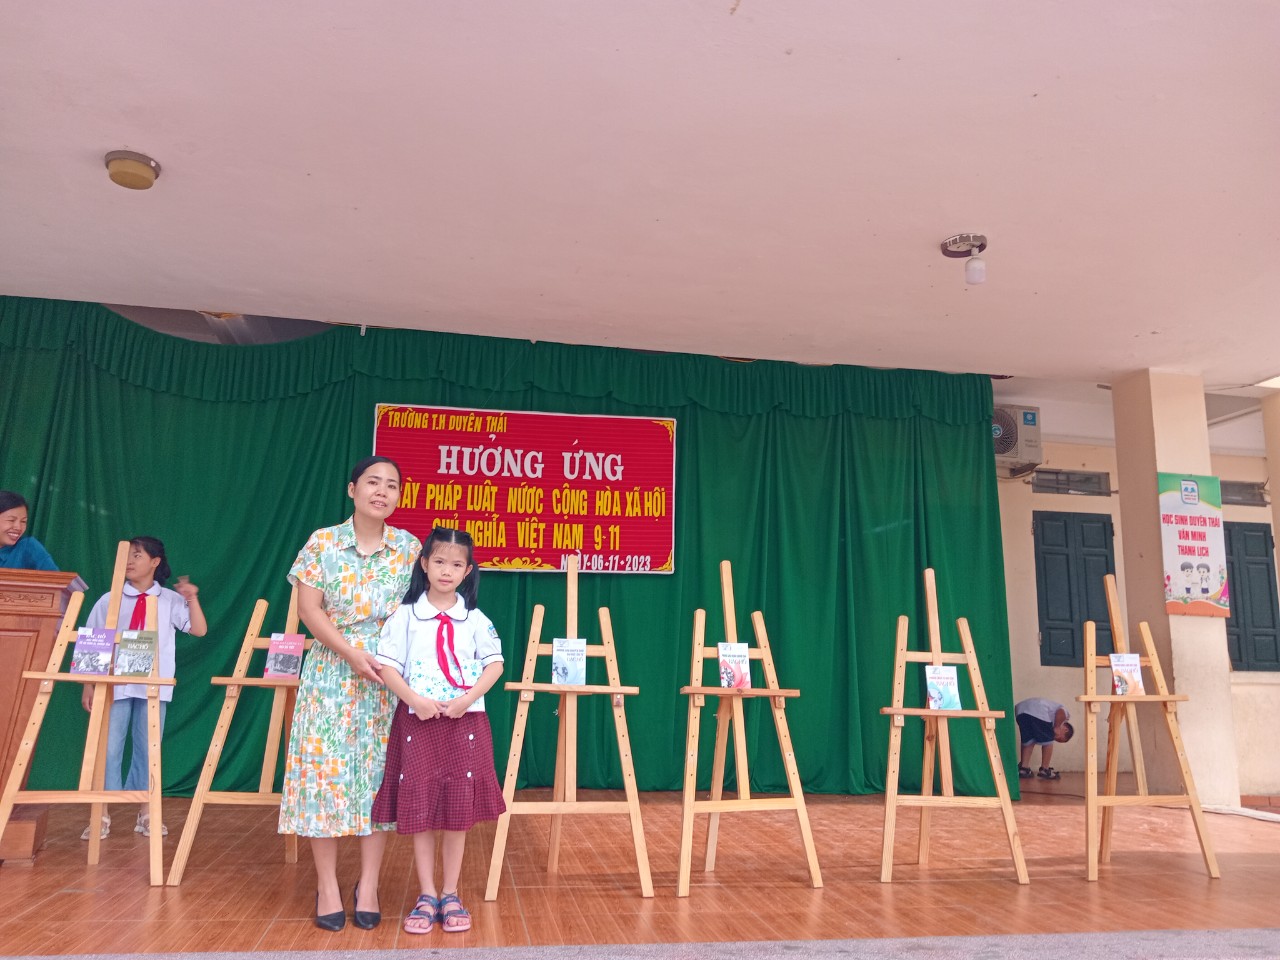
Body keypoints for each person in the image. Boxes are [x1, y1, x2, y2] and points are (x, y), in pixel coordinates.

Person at [279, 456, 421, 932]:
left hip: (385, 677)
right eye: (373, 482)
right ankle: (326, 886)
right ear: (352, 489)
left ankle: (369, 885)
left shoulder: (409, 548)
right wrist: (349, 652)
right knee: (323, 777)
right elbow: (309, 609)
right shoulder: (323, 542)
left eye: (392, 485)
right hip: (330, 675)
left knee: (377, 779)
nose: (382, 491)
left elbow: (417, 614)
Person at [370, 526, 506, 935]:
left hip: (465, 722)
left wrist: (466, 699)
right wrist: (415, 699)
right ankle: (427, 894)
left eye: (457, 564)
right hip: (419, 722)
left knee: (457, 812)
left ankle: (450, 893)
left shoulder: (475, 619)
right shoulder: (405, 616)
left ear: (468, 571)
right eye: (440, 562)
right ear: (425, 564)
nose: (447, 571)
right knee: (422, 806)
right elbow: (387, 667)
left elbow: (494, 665)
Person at [79, 537, 206, 838]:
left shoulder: (169, 600)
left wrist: (191, 598)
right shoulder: (109, 599)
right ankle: (101, 813)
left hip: (153, 687)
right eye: (126, 555)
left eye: (137, 555)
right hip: (115, 685)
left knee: (149, 748)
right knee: (108, 748)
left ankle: (147, 812)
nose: (129, 561)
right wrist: (88, 685)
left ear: (155, 562)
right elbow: (92, 641)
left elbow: (199, 629)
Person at [1014, 697, 1073, 780]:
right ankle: (1045, 769)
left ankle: (1024, 768)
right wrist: (1057, 727)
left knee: (1029, 741)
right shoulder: (1065, 717)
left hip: (1021, 711)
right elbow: (1061, 711)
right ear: (1066, 729)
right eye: (1059, 739)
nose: (1055, 738)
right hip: (1039, 710)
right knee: (1048, 742)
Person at [0, 491, 58, 570]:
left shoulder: (29, 547)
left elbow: (54, 577)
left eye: (23, 521)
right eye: (11, 520)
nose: (18, 527)